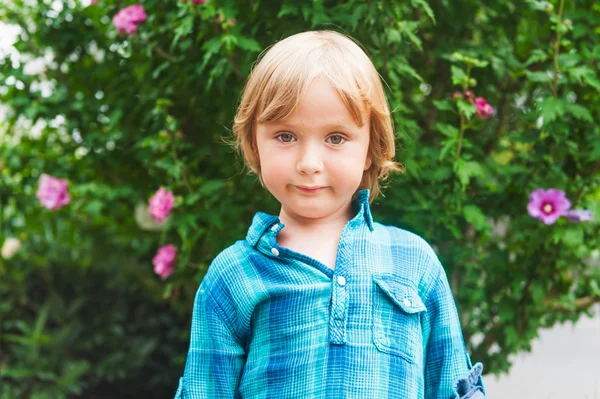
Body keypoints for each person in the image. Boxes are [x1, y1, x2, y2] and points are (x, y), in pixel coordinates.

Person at [174, 30, 486, 399]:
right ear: (254, 145)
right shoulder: (233, 276)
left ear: (371, 148)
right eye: (285, 136)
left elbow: (451, 386)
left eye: (336, 138)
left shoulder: (414, 260)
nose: (309, 164)